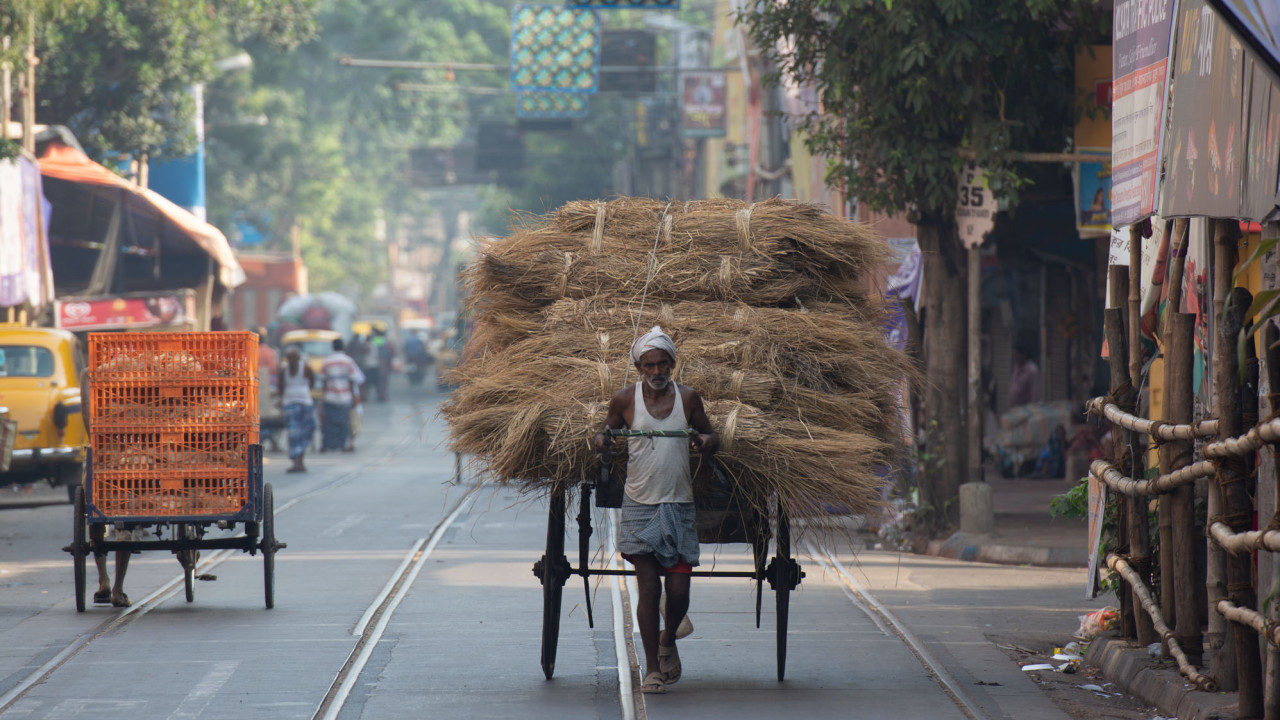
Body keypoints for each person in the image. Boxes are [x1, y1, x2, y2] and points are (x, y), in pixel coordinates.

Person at [592, 326, 719, 694]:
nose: (657, 371)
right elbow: (606, 433)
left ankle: (668, 639)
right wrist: (603, 440)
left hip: (679, 504)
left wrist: (706, 441)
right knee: (648, 589)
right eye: (649, 365)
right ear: (639, 368)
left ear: (673, 365)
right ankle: (651, 670)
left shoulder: (689, 398)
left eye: (663, 364)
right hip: (638, 505)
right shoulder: (624, 400)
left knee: (678, 590)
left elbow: (712, 436)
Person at [79, 371, 131, 607]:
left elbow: (87, 416)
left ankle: (105, 581)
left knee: (95, 514)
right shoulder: (133, 376)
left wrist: (96, 437)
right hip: (131, 460)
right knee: (126, 520)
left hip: (104, 457)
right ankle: (116, 588)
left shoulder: (90, 374)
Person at [319, 338, 364, 452]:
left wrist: (323, 397)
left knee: (328, 422)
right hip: (345, 396)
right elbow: (353, 380)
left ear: (332, 347)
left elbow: (324, 381)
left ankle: (326, 444)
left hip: (330, 396)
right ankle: (344, 444)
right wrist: (355, 397)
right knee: (344, 422)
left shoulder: (327, 361)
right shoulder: (348, 361)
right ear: (343, 347)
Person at [276, 346, 317, 472]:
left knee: (306, 430)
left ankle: (300, 460)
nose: (292, 360)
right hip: (290, 404)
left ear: (298, 358)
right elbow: (281, 387)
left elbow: (312, 382)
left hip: (304, 403)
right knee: (294, 434)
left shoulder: (305, 368)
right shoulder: (284, 370)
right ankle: (296, 462)